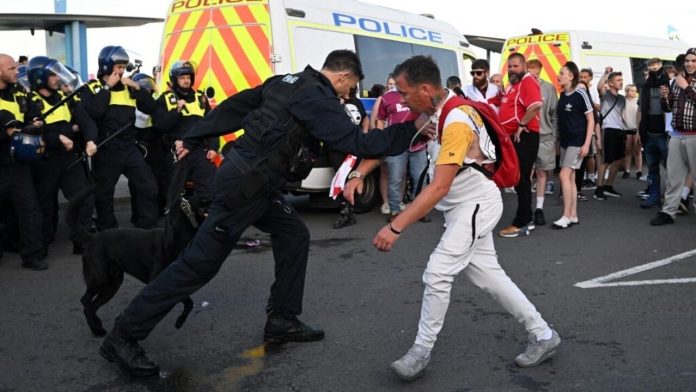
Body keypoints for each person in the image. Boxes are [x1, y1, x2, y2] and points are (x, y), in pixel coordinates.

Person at [99, 49, 434, 377]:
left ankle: (282, 319)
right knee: (195, 267)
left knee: (293, 233)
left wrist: (195, 134)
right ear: (344, 75)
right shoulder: (318, 98)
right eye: (351, 86)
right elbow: (360, 144)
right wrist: (413, 128)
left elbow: (234, 107)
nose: (350, 93)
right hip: (244, 189)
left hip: (254, 183)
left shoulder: (285, 82)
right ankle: (124, 336)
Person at [345, 55, 560, 381]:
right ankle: (542, 334)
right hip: (467, 207)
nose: (401, 100)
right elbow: (394, 142)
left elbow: (440, 186)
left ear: (426, 89)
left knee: (437, 273)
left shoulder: (456, 121)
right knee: (490, 276)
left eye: (404, 93)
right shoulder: (439, 113)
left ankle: (420, 351)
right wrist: (360, 173)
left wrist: (395, 226)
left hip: (474, 206)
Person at [80, 46, 161, 231]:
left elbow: (152, 107)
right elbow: (96, 113)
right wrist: (108, 87)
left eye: (124, 67)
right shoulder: (91, 88)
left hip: (129, 146)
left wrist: (137, 87)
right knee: (104, 193)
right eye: (118, 66)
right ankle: (108, 230)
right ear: (107, 66)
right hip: (107, 147)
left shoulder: (129, 88)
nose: (121, 71)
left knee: (147, 185)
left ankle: (146, 226)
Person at [25, 56, 97, 254]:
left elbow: (85, 120)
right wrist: (61, 135)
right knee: (45, 205)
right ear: (40, 78)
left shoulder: (65, 98)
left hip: (68, 158)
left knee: (83, 196)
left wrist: (90, 139)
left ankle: (81, 241)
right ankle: (43, 243)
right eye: (53, 75)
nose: (58, 78)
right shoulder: (30, 101)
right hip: (45, 160)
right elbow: (33, 130)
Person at [0, 53, 47, 270]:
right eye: (11, 68)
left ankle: (32, 255)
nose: (16, 71)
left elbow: (33, 113)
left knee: (29, 210)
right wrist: (5, 128)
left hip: (18, 163)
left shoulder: (20, 91)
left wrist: (34, 123)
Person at [153, 60, 218, 201]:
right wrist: (177, 111)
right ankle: (173, 219)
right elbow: (160, 127)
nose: (186, 81)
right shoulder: (165, 99)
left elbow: (212, 125)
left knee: (210, 189)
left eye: (188, 77)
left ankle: (204, 219)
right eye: (182, 78)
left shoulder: (201, 98)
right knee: (174, 193)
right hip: (177, 151)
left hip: (199, 151)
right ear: (174, 80)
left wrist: (213, 148)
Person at [498, 53, 543, 237]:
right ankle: (525, 218)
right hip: (514, 137)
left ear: (524, 66)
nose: (511, 70)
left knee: (522, 179)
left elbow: (536, 105)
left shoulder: (527, 81)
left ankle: (523, 221)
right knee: (518, 179)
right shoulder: (514, 85)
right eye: (509, 66)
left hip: (525, 136)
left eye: (515, 66)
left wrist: (522, 125)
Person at [651, 48, 696, 225]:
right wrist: (665, 98)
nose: (690, 64)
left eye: (693, 61)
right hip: (677, 135)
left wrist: (686, 87)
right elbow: (668, 108)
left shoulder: (682, 82)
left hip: (694, 135)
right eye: (687, 60)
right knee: (673, 177)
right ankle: (668, 212)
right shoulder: (675, 81)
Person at [377, 77, 429, 222]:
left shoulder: (418, 95)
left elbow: (429, 114)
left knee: (420, 179)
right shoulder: (387, 97)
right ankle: (394, 211)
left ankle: (419, 211)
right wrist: (382, 139)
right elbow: (380, 118)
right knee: (395, 179)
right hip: (396, 146)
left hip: (418, 145)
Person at [553, 62, 594, 228]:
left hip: (577, 141)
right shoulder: (562, 95)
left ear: (571, 76)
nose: (558, 76)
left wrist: (586, 144)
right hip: (565, 141)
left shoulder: (580, 94)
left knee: (564, 175)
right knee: (570, 178)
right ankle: (573, 215)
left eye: (562, 73)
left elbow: (591, 119)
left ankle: (566, 216)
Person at [329, 87, 369, 229]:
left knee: (352, 177)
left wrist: (363, 135)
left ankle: (349, 211)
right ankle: (345, 210)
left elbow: (365, 119)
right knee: (341, 177)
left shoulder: (356, 101)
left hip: (354, 146)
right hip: (338, 147)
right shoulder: (333, 102)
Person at [526, 59, 558, 226]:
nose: (531, 71)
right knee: (526, 173)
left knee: (541, 172)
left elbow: (554, 114)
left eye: (534, 68)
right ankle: (525, 209)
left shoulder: (548, 88)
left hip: (544, 136)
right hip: (527, 134)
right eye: (529, 68)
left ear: (539, 69)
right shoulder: (522, 86)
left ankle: (539, 208)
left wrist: (554, 138)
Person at [638, 58, 670, 208]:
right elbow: (640, 110)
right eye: (651, 65)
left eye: (656, 64)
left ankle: (671, 198)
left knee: (671, 168)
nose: (654, 67)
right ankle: (654, 196)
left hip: (664, 134)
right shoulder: (645, 87)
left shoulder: (668, 83)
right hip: (649, 133)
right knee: (652, 169)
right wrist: (639, 131)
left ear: (661, 65)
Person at [594, 68, 627, 200]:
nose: (621, 82)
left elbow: (621, 115)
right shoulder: (605, 94)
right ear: (611, 83)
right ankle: (599, 188)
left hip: (620, 130)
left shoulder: (622, 98)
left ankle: (609, 186)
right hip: (608, 129)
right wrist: (606, 74)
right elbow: (599, 86)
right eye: (618, 80)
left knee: (618, 160)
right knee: (605, 160)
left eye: (621, 80)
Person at [369, 75, 395, 214]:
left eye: (394, 83)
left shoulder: (402, 99)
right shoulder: (382, 99)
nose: (392, 86)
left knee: (399, 174)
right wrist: (377, 139)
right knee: (385, 172)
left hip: (396, 141)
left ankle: (397, 201)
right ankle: (385, 202)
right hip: (385, 141)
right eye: (390, 83)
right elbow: (374, 120)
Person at [622, 84, 641, 179]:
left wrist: (639, 130)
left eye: (635, 90)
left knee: (637, 151)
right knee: (628, 150)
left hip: (637, 130)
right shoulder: (623, 102)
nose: (634, 92)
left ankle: (639, 171)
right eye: (632, 90)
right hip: (627, 129)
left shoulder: (638, 101)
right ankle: (627, 170)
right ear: (627, 92)